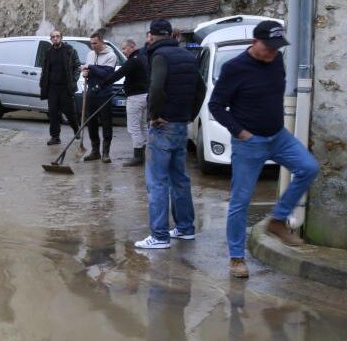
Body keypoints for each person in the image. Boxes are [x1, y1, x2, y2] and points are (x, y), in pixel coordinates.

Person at [208, 20, 320, 278]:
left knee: (308, 168)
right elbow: (216, 106)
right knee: (240, 201)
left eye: (276, 47)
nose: (272, 52)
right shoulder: (234, 68)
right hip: (249, 143)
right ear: (254, 43)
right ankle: (236, 258)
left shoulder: (277, 60)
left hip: (278, 136)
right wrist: (241, 132)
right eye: (268, 47)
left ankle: (277, 221)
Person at [134, 19, 207, 249]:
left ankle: (159, 236)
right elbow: (201, 90)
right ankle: (185, 228)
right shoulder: (187, 56)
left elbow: (156, 88)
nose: (147, 40)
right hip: (180, 125)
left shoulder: (160, 56)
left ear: (154, 36)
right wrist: (189, 115)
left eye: (149, 36)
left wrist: (154, 115)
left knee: (157, 182)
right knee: (180, 180)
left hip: (162, 126)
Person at [95, 37, 150, 166]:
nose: (123, 51)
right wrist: (126, 84)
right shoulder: (142, 58)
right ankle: (146, 154)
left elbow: (118, 74)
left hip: (136, 98)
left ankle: (138, 157)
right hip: (145, 95)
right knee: (143, 126)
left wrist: (101, 85)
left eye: (124, 49)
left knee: (133, 127)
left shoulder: (133, 61)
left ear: (132, 46)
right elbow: (135, 76)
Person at [81, 29, 118, 162]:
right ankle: (95, 150)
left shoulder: (111, 55)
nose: (93, 46)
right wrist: (86, 73)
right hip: (91, 91)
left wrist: (90, 67)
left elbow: (106, 74)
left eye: (95, 43)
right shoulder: (90, 54)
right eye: (91, 43)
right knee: (91, 122)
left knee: (106, 122)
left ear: (101, 42)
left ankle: (106, 153)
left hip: (104, 93)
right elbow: (91, 71)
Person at [39, 30, 81, 145]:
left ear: (61, 38)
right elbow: (45, 68)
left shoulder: (69, 50)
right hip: (52, 88)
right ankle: (55, 137)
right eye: (53, 37)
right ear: (51, 39)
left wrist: (73, 80)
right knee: (53, 113)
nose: (55, 38)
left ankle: (76, 129)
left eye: (57, 36)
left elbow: (77, 67)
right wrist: (43, 82)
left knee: (70, 112)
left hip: (65, 87)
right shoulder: (48, 52)